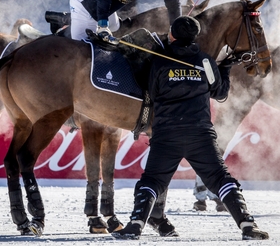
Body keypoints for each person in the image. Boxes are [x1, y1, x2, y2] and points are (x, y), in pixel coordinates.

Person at [111, 16, 269, 241]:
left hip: (166, 134)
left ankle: (135, 226)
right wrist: (224, 65)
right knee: (220, 179)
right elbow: (220, 92)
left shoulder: (159, 61)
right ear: (194, 37)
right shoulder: (205, 61)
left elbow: (152, 93)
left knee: (152, 181)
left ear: (172, 36)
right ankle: (247, 225)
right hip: (200, 135)